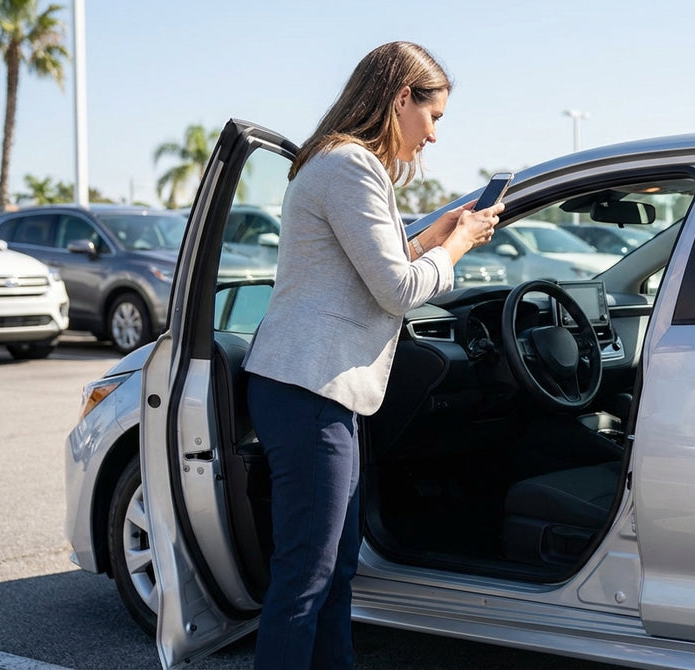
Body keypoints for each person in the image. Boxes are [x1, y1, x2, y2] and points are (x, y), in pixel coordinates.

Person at [242, 41, 502, 669]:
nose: (433, 136)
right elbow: (398, 291)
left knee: (332, 575)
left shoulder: (344, 164)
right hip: (309, 390)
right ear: (399, 98)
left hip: (326, 392)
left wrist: (429, 239)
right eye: (432, 117)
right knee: (307, 577)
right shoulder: (348, 165)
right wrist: (459, 245)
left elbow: (367, 273)